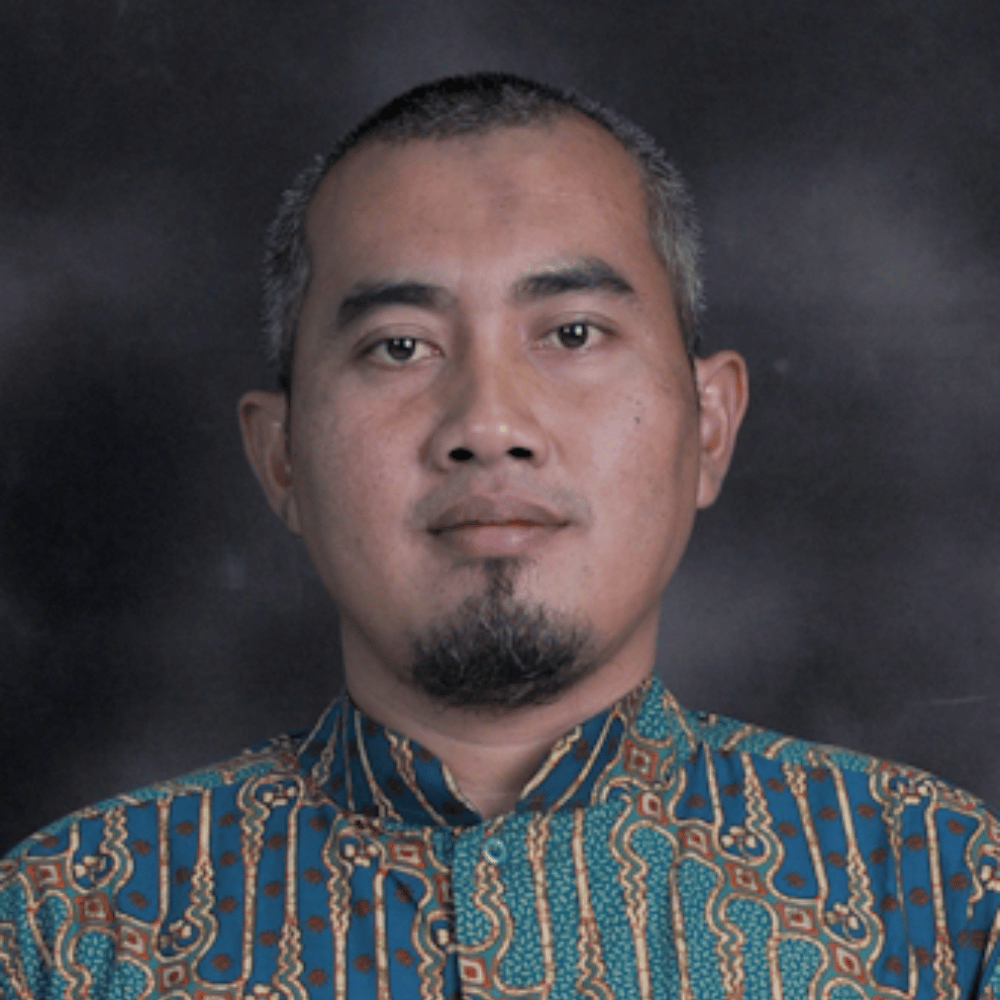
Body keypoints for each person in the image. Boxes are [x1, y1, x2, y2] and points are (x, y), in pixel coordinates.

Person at [1, 71, 998, 1000]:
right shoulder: (65, 933)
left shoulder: (948, 904)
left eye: (572, 333)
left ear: (708, 427)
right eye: (400, 346)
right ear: (281, 458)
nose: (487, 423)